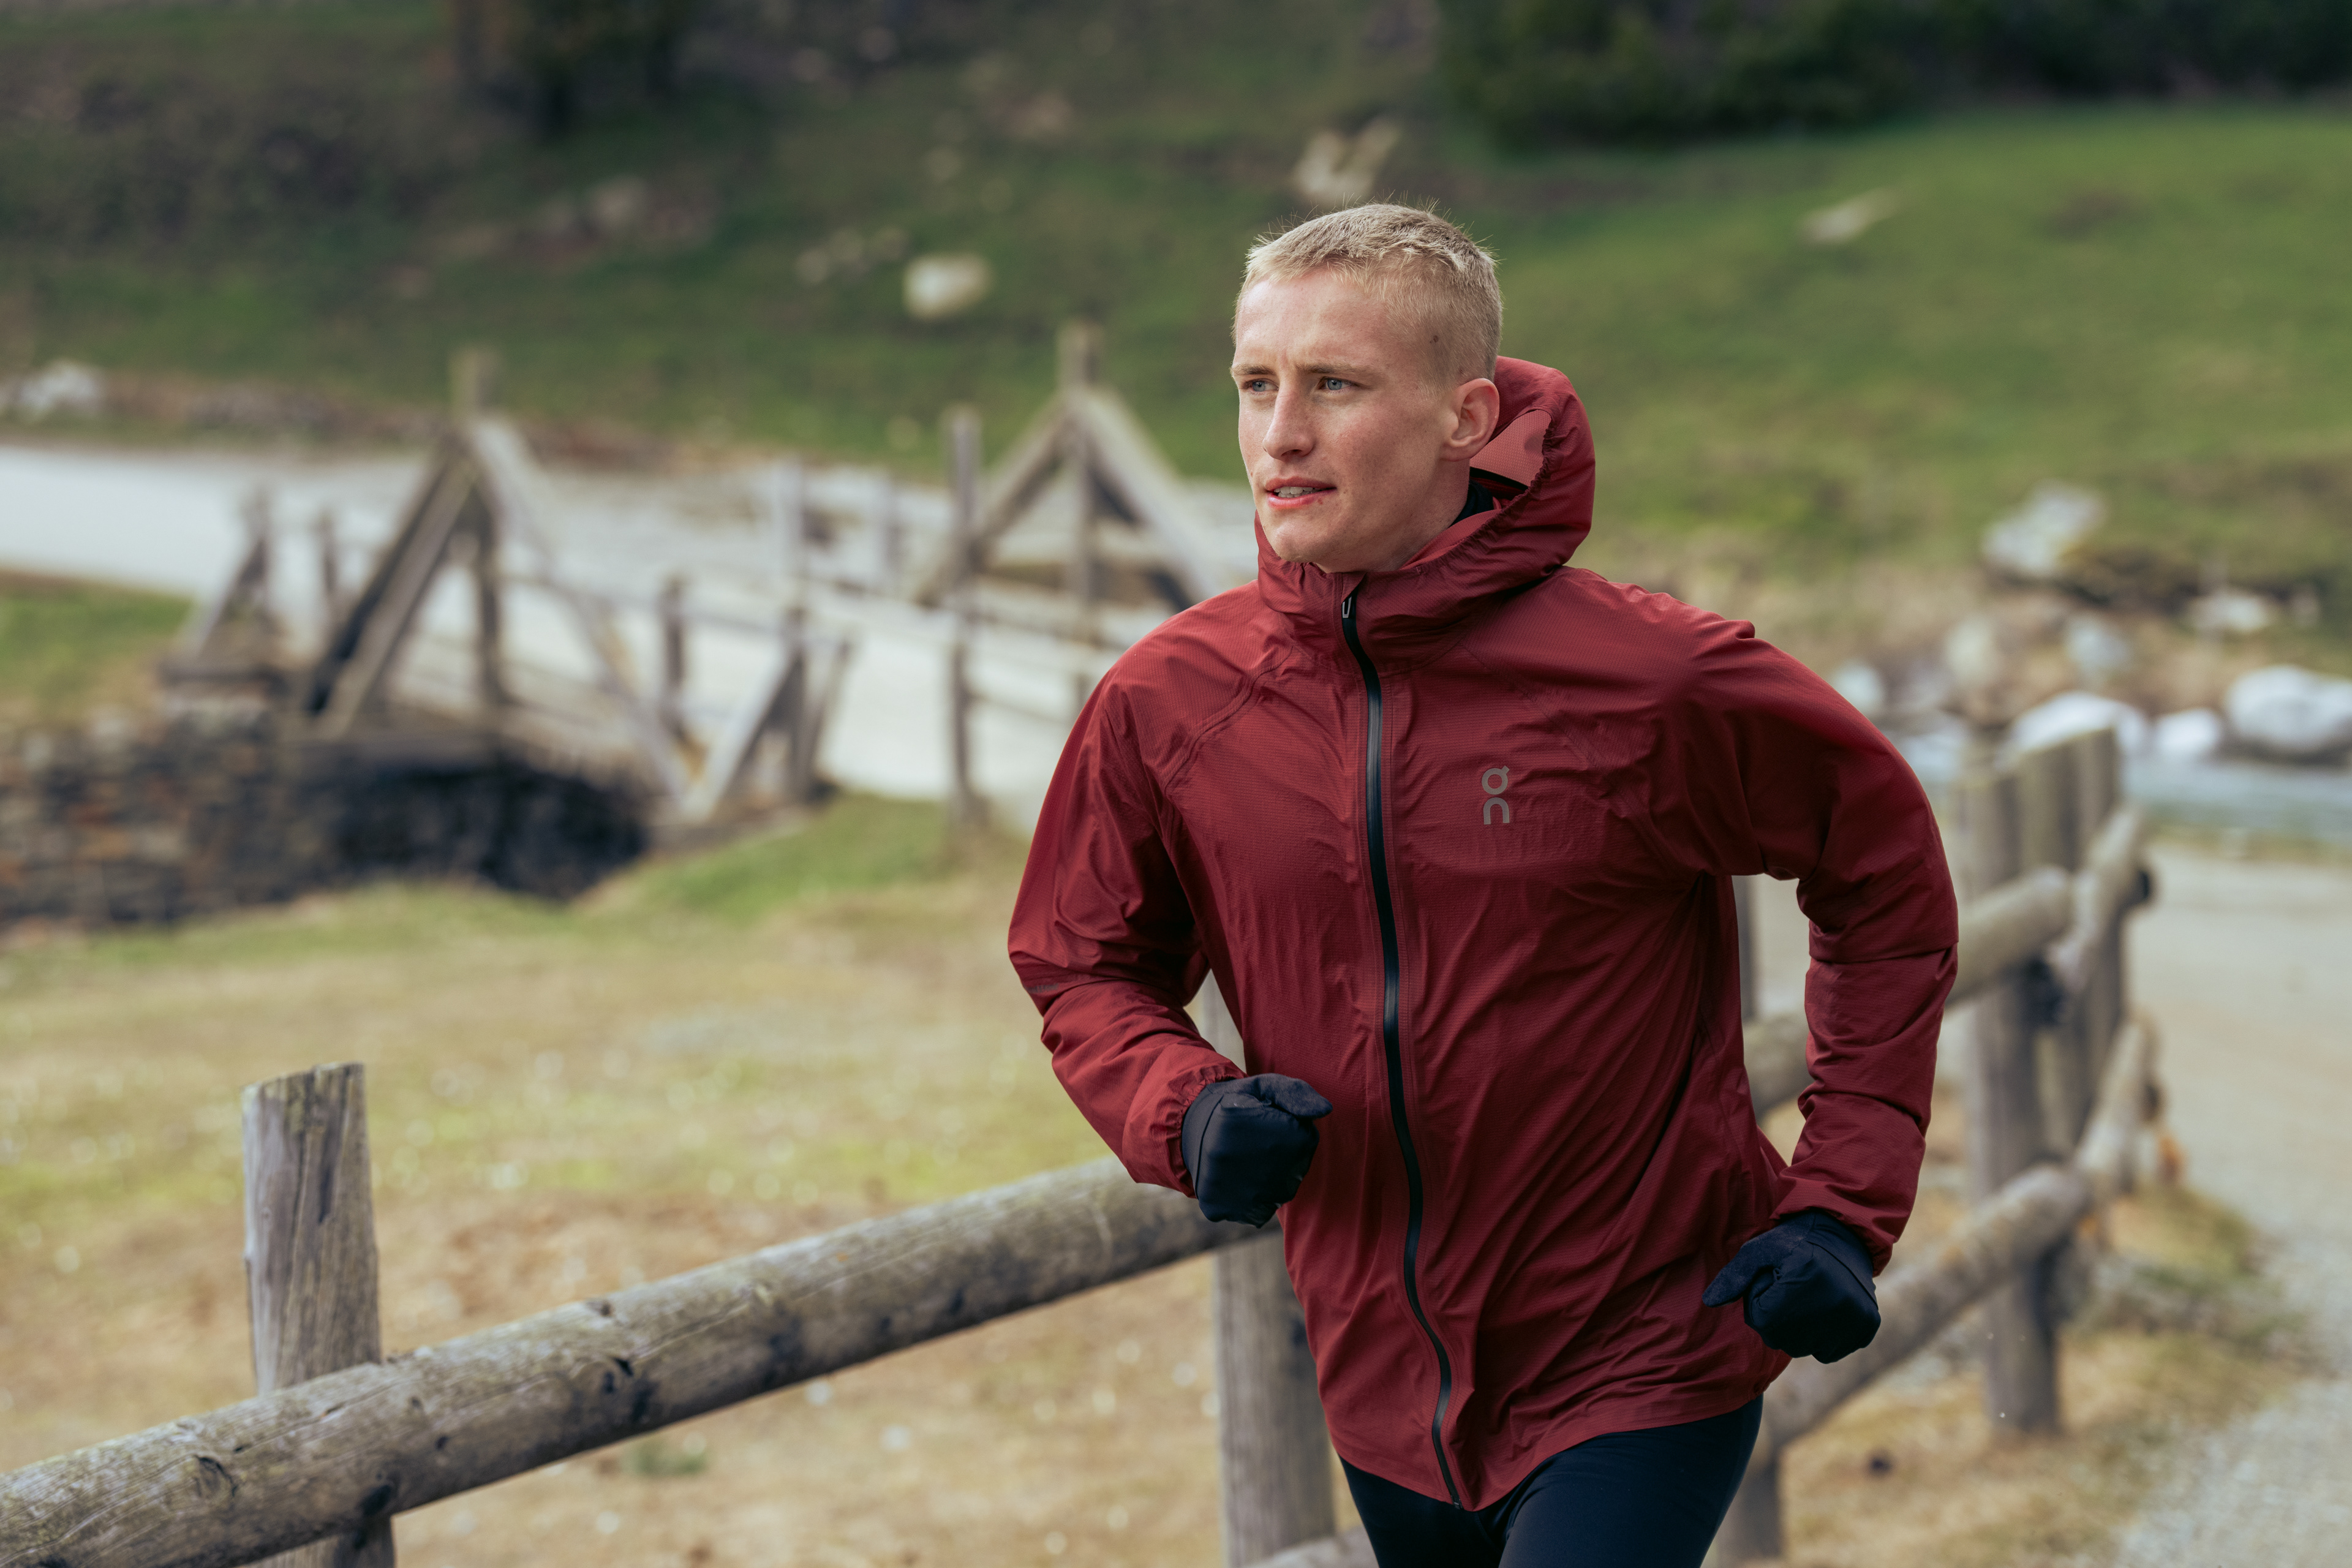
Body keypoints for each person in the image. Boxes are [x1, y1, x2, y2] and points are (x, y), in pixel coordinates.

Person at [1008, 204, 1956, 1567]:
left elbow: (1888, 881)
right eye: (1255, 384)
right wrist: (1183, 1102)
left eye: (1336, 384)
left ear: (1466, 416)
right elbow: (1082, 959)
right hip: (1382, 1382)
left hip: (1647, 1343)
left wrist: (1841, 1201)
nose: (1281, 435)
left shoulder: (1656, 683)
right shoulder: (1171, 701)